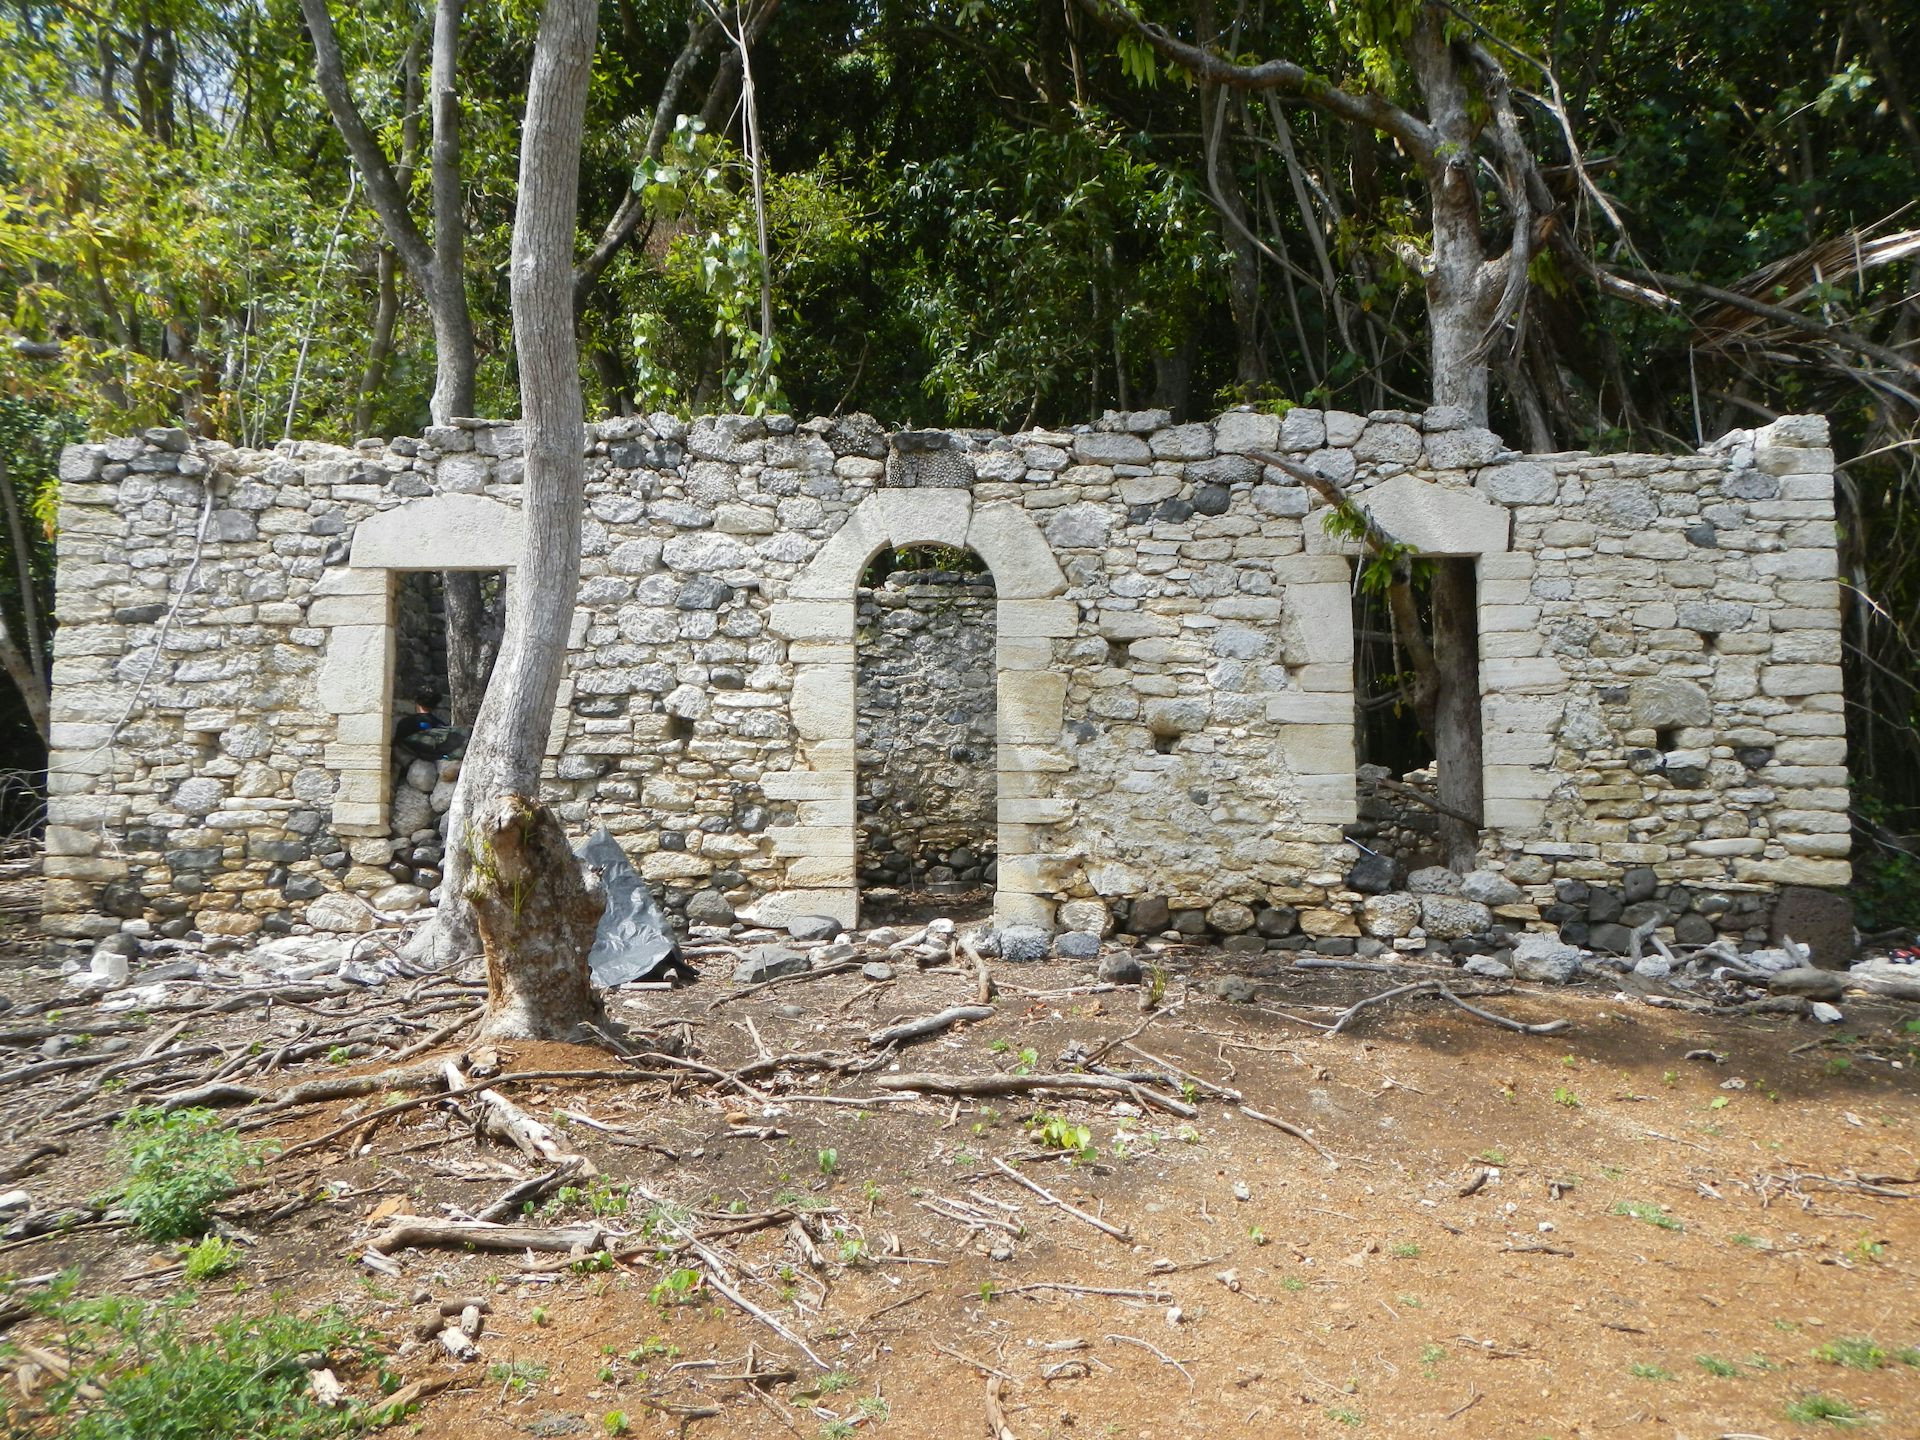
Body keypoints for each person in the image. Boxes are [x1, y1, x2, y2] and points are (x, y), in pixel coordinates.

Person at [392, 691, 465, 761]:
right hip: (438, 760)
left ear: (417, 704)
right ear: (434, 706)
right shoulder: (440, 724)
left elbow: (398, 745)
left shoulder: (405, 722)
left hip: (413, 762)